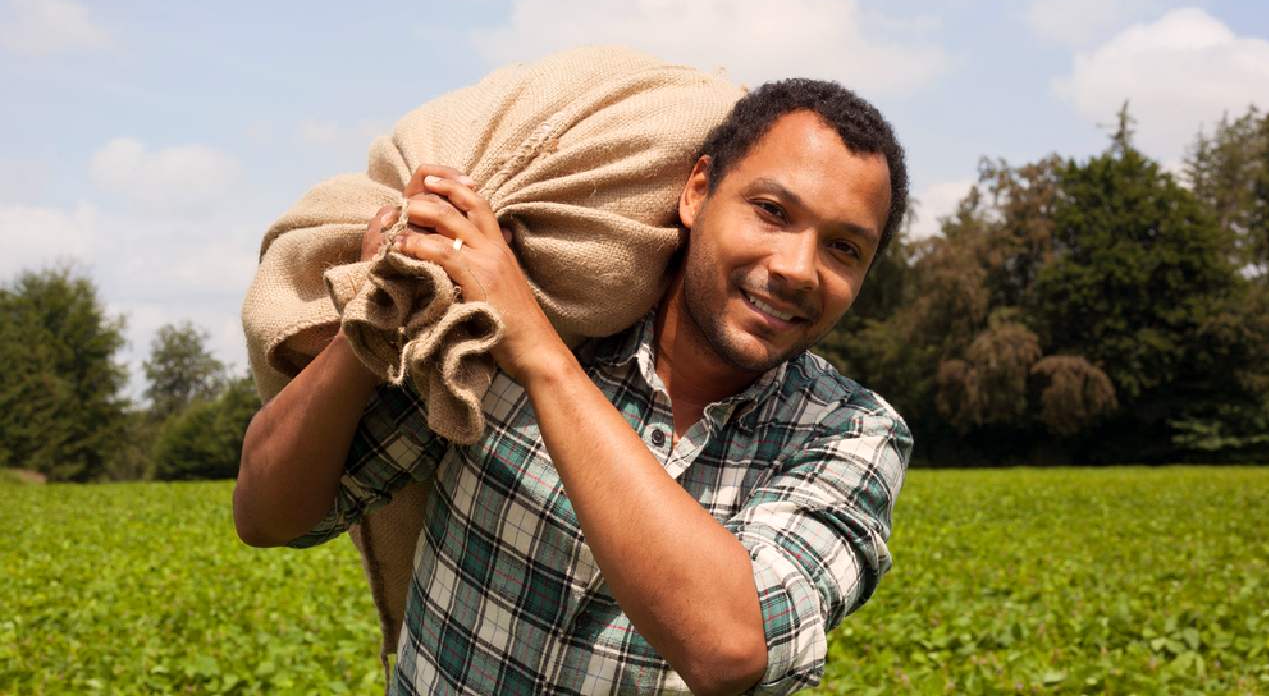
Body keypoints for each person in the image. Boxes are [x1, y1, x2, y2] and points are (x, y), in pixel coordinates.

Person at [232, 78, 913, 695]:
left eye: (843, 249)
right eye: (771, 211)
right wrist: (386, 297)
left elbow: (730, 646)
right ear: (698, 191)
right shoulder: (504, 329)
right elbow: (271, 517)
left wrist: (539, 354)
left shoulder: (851, 433)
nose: (798, 267)